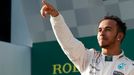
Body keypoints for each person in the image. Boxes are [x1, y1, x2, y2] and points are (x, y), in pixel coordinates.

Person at [40, 0, 134, 75]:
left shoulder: (130, 67)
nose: (102, 33)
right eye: (100, 30)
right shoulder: (88, 57)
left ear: (119, 36)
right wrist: (56, 17)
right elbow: (68, 42)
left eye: (108, 29)